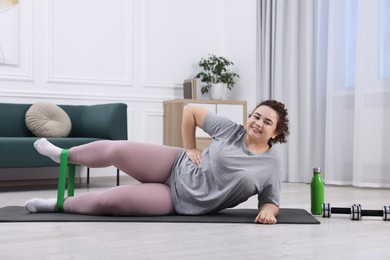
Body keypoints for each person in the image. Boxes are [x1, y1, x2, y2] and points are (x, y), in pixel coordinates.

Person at [25, 100, 289, 224]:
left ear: (276, 133)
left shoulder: (270, 165)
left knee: (111, 201)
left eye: (267, 122)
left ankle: (58, 204)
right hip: (173, 163)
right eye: (256, 116)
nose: (258, 123)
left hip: (179, 201)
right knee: (118, 149)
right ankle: (62, 155)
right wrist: (190, 146)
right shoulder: (231, 130)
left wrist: (268, 211)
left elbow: (270, 199)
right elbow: (191, 111)